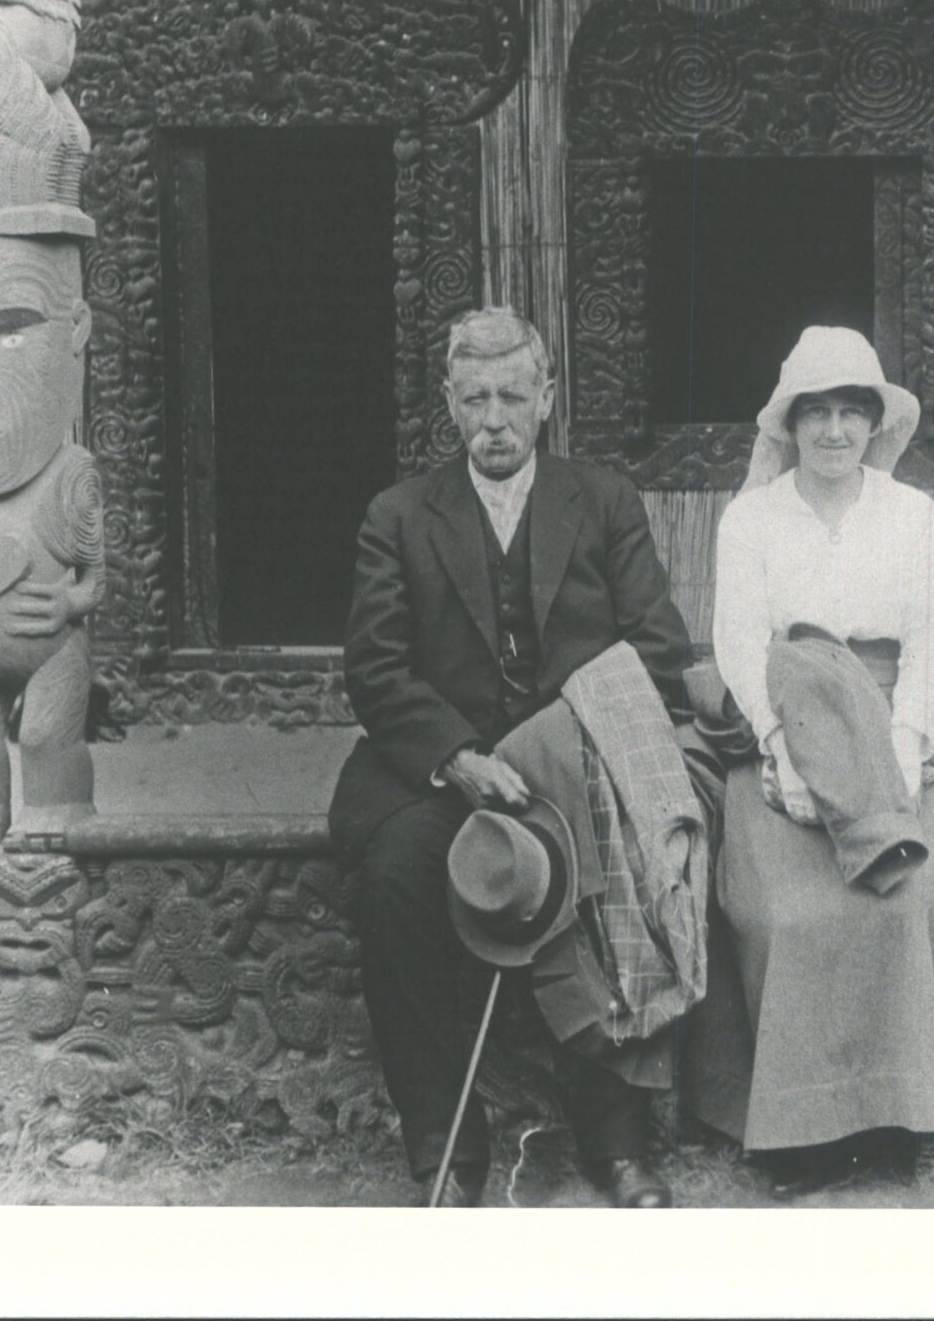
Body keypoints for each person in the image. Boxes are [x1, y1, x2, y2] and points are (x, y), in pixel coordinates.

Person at [328, 310, 699, 1208]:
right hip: (440, 767)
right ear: (450, 407)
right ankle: (446, 1151)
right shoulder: (400, 515)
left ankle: (616, 1141)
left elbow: (656, 646)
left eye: (512, 397)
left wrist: (558, 745)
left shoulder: (602, 500)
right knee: (394, 877)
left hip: (574, 760)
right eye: (475, 399)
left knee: (613, 862)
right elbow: (373, 668)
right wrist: (458, 758)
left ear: (546, 401)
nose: (494, 419)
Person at [695, 326, 934, 1196]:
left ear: (874, 423)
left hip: (894, 731)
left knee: (903, 896)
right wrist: (779, 751)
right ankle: (798, 1126)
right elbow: (738, 645)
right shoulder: (751, 518)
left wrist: (899, 748)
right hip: (784, 733)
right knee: (786, 912)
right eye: (817, 412)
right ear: (790, 425)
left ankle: (891, 1116)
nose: (835, 430)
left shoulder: (911, 514)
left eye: (853, 411)